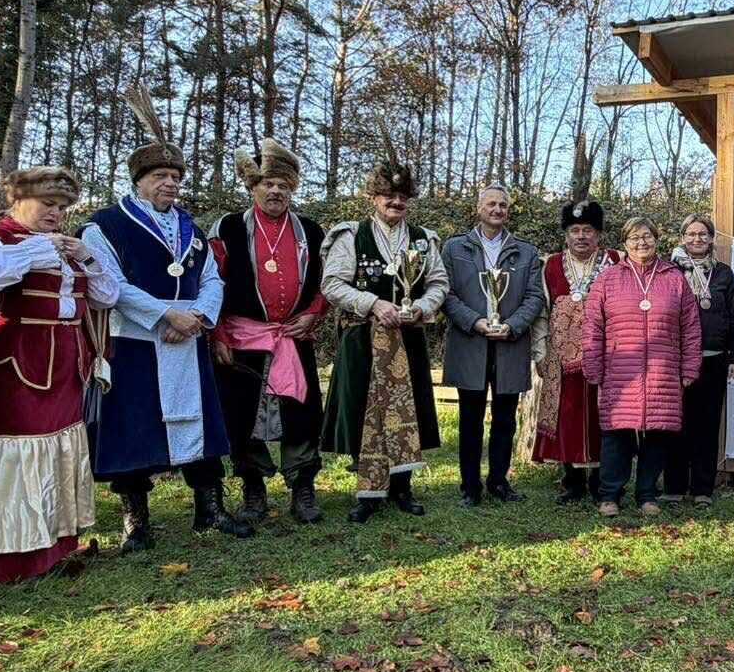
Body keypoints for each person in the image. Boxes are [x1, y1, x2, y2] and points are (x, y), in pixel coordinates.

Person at [83, 93, 248, 551]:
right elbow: (109, 284)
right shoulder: (105, 226)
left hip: (187, 338)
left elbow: (212, 278)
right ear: (139, 180)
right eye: (161, 176)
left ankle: (210, 510)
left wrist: (196, 317)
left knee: (203, 423)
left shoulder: (192, 228)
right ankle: (136, 520)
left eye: (175, 177)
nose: (170, 184)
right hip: (136, 342)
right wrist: (165, 315)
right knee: (135, 429)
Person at [0, 167, 115, 583]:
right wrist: (40, 249)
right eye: (46, 204)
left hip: (65, 363)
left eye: (61, 207)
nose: (55, 213)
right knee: (13, 452)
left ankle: (51, 549)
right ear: (17, 200)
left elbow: (107, 295)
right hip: (12, 363)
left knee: (56, 450)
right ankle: (3, 558)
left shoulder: (65, 248)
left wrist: (85, 257)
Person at [320, 160, 449, 523]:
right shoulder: (350, 235)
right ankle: (367, 491)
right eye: (388, 196)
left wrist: (421, 307)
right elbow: (331, 284)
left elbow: (439, 283)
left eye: (402, 197)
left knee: (409, 410)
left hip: (408, 339)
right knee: (364, 410)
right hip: (363, 339)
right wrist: (373, 303)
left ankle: (402, 486)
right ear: (372, 197)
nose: (395, 202)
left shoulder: (424, 239)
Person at [208, 138, 328, 527]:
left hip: (294, 336)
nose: (275, 191)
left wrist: (313, 314)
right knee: (243, 415)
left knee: (302, 413)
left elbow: (330, 280)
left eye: (283, 185)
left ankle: (302, 488)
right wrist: (219, 333)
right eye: (267, 184)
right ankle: (254, 489)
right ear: (252, 187)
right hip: (243, 338)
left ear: (292, 188)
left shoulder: (311, 230)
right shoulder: (228, 227)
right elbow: (211, 281)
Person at [582, 217, 700, 518]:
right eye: (634, 237)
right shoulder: (608, 279)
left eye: (647, 236)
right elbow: (593, 326)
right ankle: (610, 495)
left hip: (663, 371)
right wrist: (593, 366)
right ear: (624, 242)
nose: (641, 242)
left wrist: (689, 367)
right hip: (620, 372)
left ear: (656, 239)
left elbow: (690, 326)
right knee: (616, 434)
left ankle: (647, 494)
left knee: (658, 434)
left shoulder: (674, 278)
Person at [442, 183, 544, 507]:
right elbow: (445, 293)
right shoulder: (455, 248)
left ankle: (499, 481)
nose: (497, 209)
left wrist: (512, 326)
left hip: (509, 346)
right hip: (470, 343)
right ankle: (469, 487)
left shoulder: (526, 252)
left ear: (508, 211)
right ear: (478, 208)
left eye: (502, 205)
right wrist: (475, 321)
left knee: (505, 419)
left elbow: (535, 297)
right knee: (469, 419)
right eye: (491, 204)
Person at [534, 199, 621, 504]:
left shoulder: (615, 260)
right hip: (561, 356)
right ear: (566, 234)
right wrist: (540, 352)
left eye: (588, 230)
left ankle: (603, 480)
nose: (581, 236)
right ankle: (571, 480)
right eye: (575, 230)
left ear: (598, 233)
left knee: (603, 416)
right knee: (567, 417)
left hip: (606, 355)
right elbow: (541, 313)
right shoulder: (551, 265)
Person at [664, 212, 734, 506]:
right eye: (691, 234)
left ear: (711, 238)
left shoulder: (723, 273)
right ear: (683, 238)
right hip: (676, 361)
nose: (697, 239)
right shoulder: (669, 272)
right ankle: (673, 487)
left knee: (707, 426)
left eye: (702, 234)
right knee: (676, 424)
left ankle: (702, 490)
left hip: (714, 359)